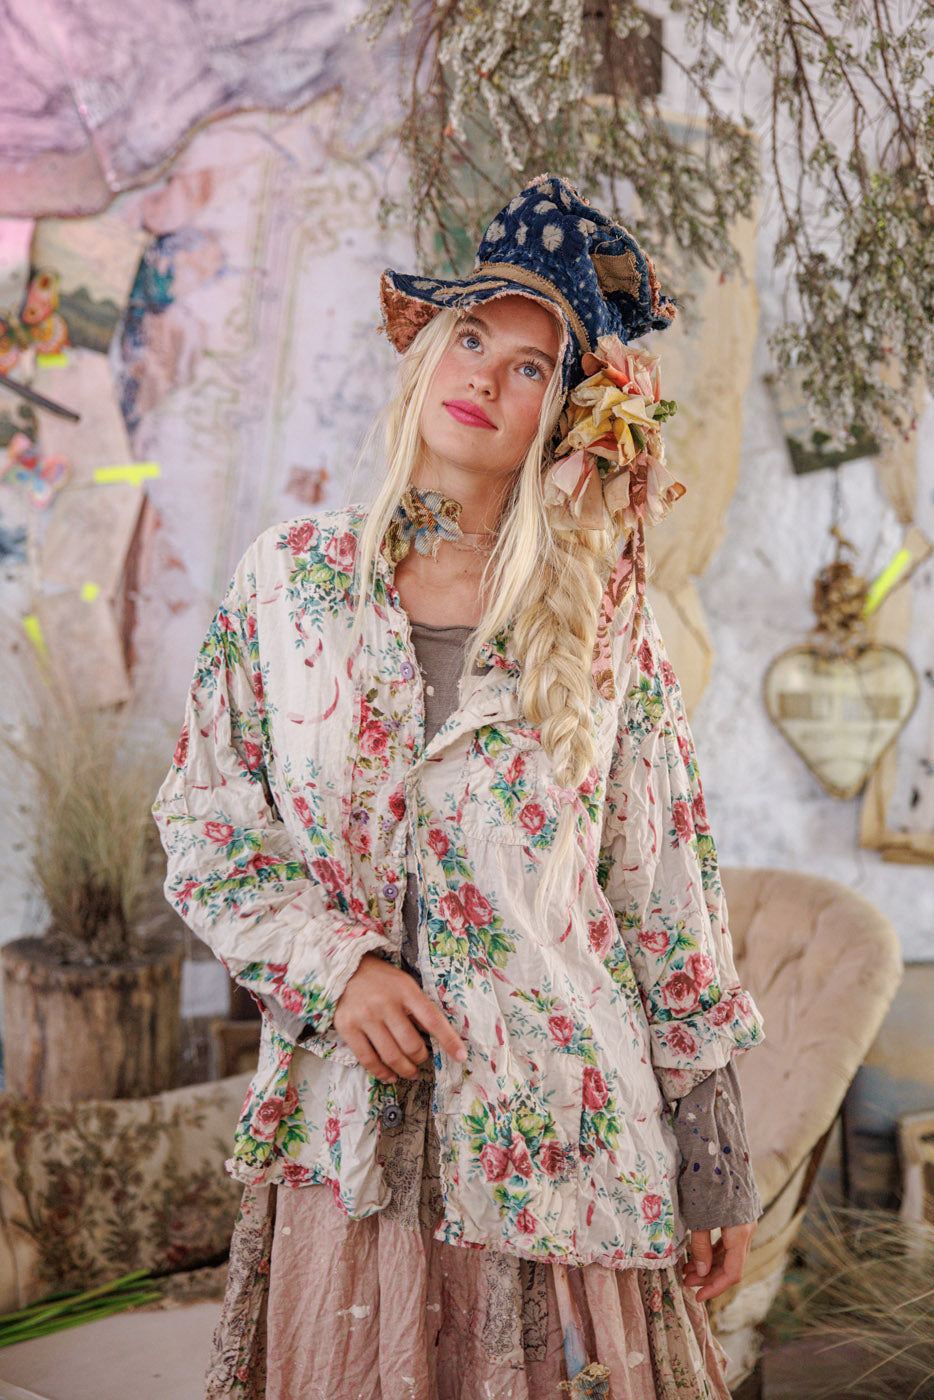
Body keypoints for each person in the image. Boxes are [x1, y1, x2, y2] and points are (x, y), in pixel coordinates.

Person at [154, 173, 765, 1400]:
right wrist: (338, 966)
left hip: (565, 1154)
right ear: (428, 349)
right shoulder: (289, 583)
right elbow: (205, 824)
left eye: (531, 365)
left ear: (565, 414)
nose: (485, 376)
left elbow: (666, 894)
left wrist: (715, 1157)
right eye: (472, 336)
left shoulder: (600, 619)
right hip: (349, 1151)